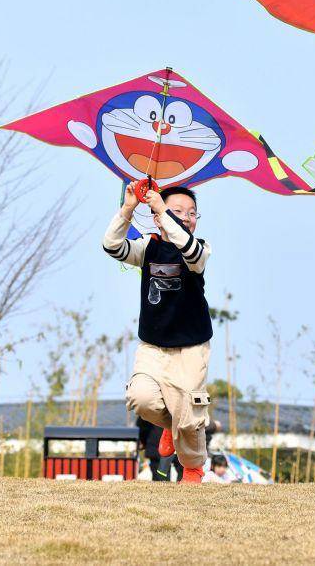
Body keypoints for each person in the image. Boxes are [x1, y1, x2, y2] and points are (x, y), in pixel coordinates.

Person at [105, 184, 213, 484]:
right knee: (140, 399)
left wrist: (164, 211)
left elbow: (188, 249)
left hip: (191, 346)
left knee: (190, 415)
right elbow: (112, 245)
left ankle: (192, 467)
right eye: (178, 211)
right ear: (156, 217)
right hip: (153, 346)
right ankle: (170, 426)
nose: (186, 217)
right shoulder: (147, 247)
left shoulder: (199, 249)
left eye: (192, 213)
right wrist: (128, 209)